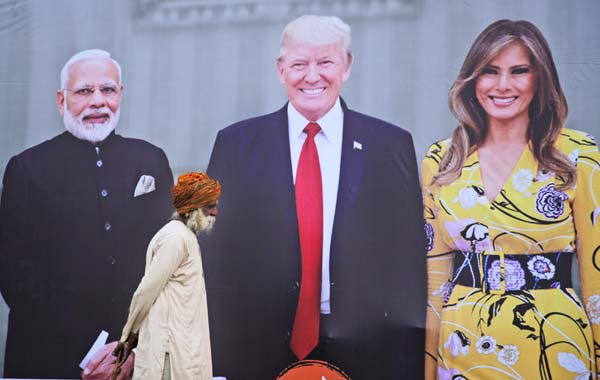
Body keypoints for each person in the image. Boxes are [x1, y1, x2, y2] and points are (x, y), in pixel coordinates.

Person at [203, 15, 425, 380]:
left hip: (364, 353)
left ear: (347, 65)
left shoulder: (390, 145)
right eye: (299, 64)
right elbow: (213, 255)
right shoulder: (235, 144)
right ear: (280, 69)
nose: (312, 76)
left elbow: (406, 265)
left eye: (325, 62)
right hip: (256, 351)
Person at [423, 20, 600, 380]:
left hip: (554, 347)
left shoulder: (578, 155)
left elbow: (596, 278)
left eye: (519, 71)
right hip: (462, 349)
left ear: (540, 80)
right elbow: (434, 281)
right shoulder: (442, 160)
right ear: (473, 80)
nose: (503, 85)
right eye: (490, 71)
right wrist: (428, 369)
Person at [0, 49, 174, 378]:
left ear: (120, 94)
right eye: (84, 91)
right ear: (61, 100)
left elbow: (168, 265)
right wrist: (95, 353)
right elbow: (15, 276)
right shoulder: (27, 169)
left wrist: (132, 347)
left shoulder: (149, 160)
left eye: (107, 90)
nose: (97, 101)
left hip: (136, 359)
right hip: (50, 357)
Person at [111, 172, 220, 380]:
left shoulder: (184, 235)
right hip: (170, 355)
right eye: (209, 206)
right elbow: (146, 291)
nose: (214, 212)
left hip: (182, 349)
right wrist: (129, 336)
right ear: (193, 207)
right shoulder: (175, 237)